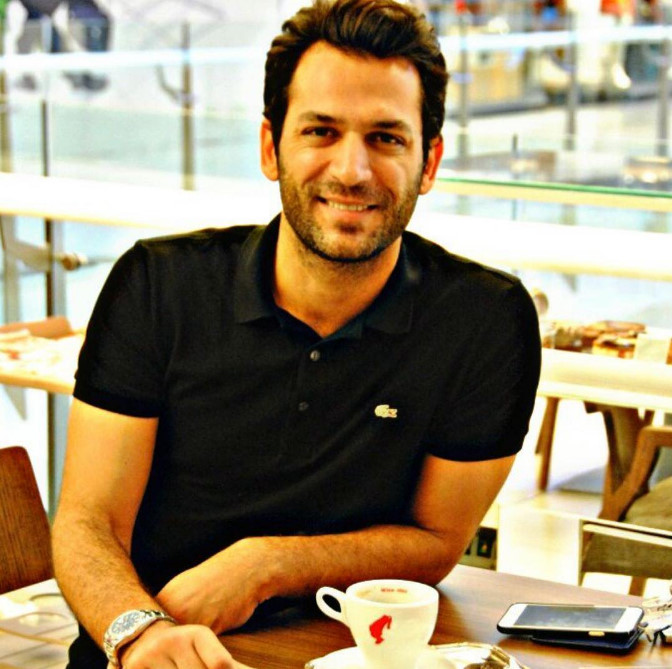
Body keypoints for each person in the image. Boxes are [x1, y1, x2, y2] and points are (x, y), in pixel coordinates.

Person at [52, 1, 541, 668]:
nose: (352, 170)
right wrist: (141, 632)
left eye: (386, 138)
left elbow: (435, 541)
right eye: (320, 131)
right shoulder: (158, 284)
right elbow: (88, 522)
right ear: (269, 147)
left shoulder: (486, 319)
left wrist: (267, 564)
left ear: (429, 163)